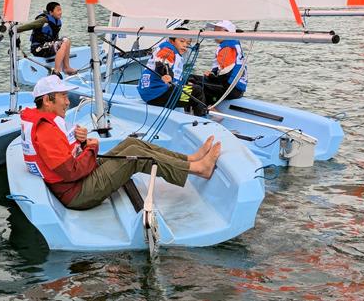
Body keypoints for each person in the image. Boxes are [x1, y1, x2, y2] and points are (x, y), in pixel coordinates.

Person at [20, 75, 221, 210]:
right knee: (135, 157)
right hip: (78, 193)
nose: (67, 101)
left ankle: (189, 159)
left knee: (131, 144)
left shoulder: (44, 122)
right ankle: (198, 169)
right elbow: (71, 171)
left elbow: (65, 160)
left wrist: (81, 143)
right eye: (63, 96)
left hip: (77, 181)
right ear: (47, 100)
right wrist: (91, 147)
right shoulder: (45, 130)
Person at [137, 28, 207, 116]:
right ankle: (202, 120)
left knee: (190, 84)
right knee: (197, 91)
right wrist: (166, 74)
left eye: (188, 43)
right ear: (172, 41)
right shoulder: (168, 48)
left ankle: (188, 113)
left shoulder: (173, 52)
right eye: (182, 41)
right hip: (158, 94)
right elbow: (162, 62)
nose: (185, 45)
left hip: (150, 94)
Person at [191, 20, 247, 104]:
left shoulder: (227, 48)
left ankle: (198, 108)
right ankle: (208, 105)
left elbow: (225, 74)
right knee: (201, 80)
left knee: (190, 79)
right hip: (237, 89)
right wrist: (212, 73)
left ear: (228, 32)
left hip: (230, 89)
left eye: (218, 30)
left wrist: (211, 76)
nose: (214, 33)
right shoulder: (233, 44)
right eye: (214, 30)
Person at [17, 2, 77, 75]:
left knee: (66, 41)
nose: (60, 12)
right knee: (61, 43)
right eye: (58, 10)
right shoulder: (43, 20)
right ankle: (56, 70)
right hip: (38, 48)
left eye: (61, 10)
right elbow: (29, 26)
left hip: (48, 46)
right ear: (51, 12)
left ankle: (66, 67)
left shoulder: (57, 22)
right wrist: (15, 30)